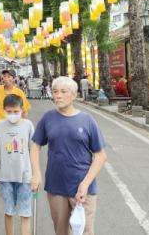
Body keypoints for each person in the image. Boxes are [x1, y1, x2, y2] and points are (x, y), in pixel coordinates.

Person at [30, 77, 107, 235]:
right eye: (55, 92)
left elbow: (100, 156)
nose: (58, 95)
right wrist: (36, 173)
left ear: (74, 95)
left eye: (63, 92)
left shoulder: (87, 120)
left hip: (82, 187)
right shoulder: (48, 118)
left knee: (85, 231)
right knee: (61, 231)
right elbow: (35, 145)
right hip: (56, 185)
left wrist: (85, 184)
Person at [0, 95, 34, 235]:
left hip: (24, 175)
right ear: (4, 110)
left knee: (25, 214)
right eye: (9, 111)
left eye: (16, 111)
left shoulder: (28, 125)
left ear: (22, 109)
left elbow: (34, 149)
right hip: (6, 177)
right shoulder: (0, 125)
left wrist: (35, 174)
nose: (12, 115)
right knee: (9, 212)